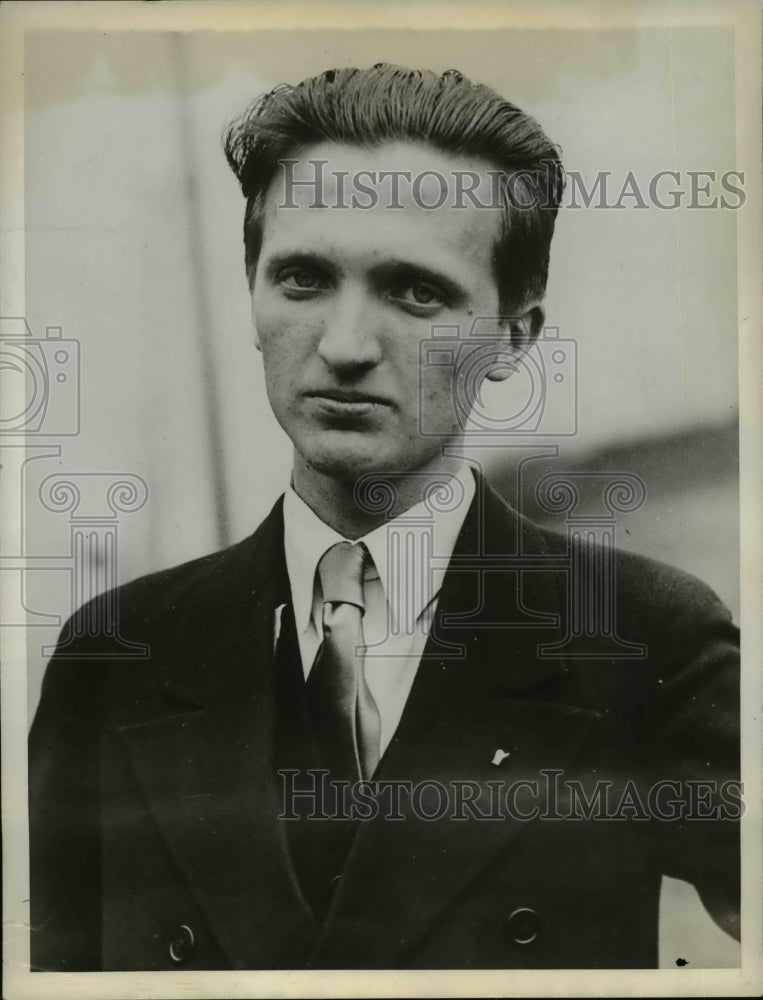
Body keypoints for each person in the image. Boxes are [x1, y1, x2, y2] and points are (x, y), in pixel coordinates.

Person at [29, 63, 740, 972]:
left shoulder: (644, 639)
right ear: (250, 293)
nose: (345, 346)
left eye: (416, 292)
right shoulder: (116, 656)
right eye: (301, 279)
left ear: (512, 337)